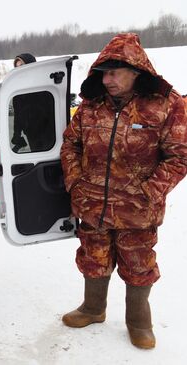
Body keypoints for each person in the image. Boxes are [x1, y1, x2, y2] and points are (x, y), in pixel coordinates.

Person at [60, 33, 187, 349]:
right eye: (103, 73)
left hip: (138, 210)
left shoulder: (166, 106)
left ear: (135, 70)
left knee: (139, 265)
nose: (107, 80)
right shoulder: (91, 106)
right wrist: (75, 183)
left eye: (115, 73)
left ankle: (139, 323)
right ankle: (93, 309)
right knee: (93, 257)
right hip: (92, 205)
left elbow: (180, 155)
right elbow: (70, 144)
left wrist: (149, 192)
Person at [11, 53, 55, 152]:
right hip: (31, 135)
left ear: (31, 65)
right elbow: (18, 115)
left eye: (22, 66)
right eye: (17, 67)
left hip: (49, 134)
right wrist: (16, 134)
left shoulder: (44, 85)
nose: (19, 69)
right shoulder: (17, 90)